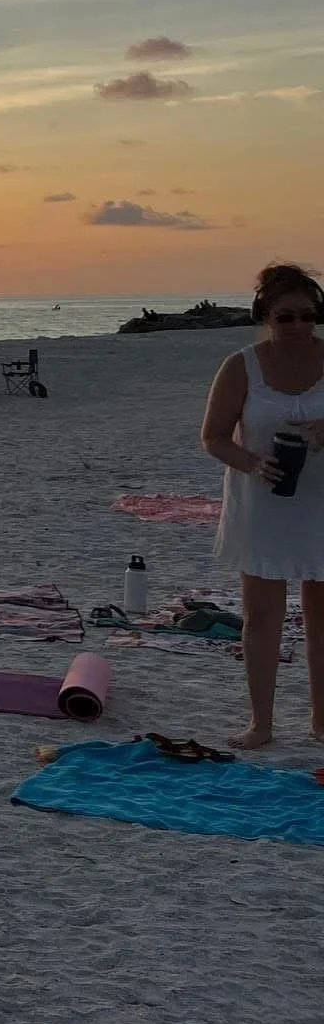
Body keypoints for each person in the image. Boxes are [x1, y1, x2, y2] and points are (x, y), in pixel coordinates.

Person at [200, 262, 324, 749]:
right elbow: (212, 438)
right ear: (265, 316)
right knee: (262, 616)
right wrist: (252, 462)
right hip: (264, 501)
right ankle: (262, 723)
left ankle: (321, 722)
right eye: (286, 317)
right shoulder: (241, 365)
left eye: (307, 316)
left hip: (321, 502)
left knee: (321, 615)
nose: (297, 326)